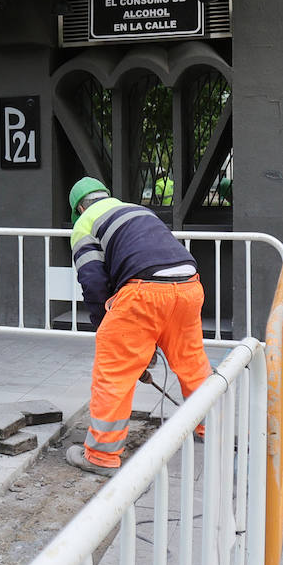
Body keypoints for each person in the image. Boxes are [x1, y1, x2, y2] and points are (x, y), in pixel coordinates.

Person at [65, 176, 212, 476]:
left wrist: (106, 327)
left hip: (144, 291)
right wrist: (144, 347)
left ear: (79, 207)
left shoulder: (85, 223)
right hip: (188, 286)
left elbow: (93, 283)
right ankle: (212, 427)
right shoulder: (137, 210)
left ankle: (101, 455)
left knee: (114, 373)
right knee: (192, 362)